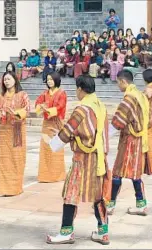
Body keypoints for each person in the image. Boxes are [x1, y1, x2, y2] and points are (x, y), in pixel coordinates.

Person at [44, 75, 110, 245]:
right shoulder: (101, 106)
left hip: (83, 159)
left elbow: (68, 131)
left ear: (80, 89)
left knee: (70, 193)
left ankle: (66, 232)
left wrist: (52, 142)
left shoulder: (82, 109)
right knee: (98, 196)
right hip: (99, 158)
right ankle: (103, 232)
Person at [107, 70, 150, 216]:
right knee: (135, 172)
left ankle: (110, 204)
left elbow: (118, 121)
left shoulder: (129, 98)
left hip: (129, 139)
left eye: (118, 82)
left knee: (118, 171)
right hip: (139, 138)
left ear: (123, 81)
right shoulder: (140, 95)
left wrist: (103, 137)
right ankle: (141, 203)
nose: (118, 85)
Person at [0, 72, 30, 196]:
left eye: (9, 79)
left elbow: (27, 109)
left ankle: (15, 187)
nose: (6, 81)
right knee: (5, 159)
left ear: (15, 80)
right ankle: (5, 188)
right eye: (5, 79)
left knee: (17, 159)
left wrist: (16, 113)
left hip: (17, 130)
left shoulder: (22, 95)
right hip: (4, 132)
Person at [35, 72, 67, 183]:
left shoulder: (62, 93)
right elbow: (38, 103)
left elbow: (60, 106)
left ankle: (57, 174)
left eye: (51, 79)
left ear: (56, 80)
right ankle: (45, 174)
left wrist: (47, 109)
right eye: (48, 79)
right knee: (46, 148)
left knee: (56, 147)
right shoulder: (44, 93)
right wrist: (41, 107)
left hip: (57, 123)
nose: (49, 81)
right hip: (46, 123)